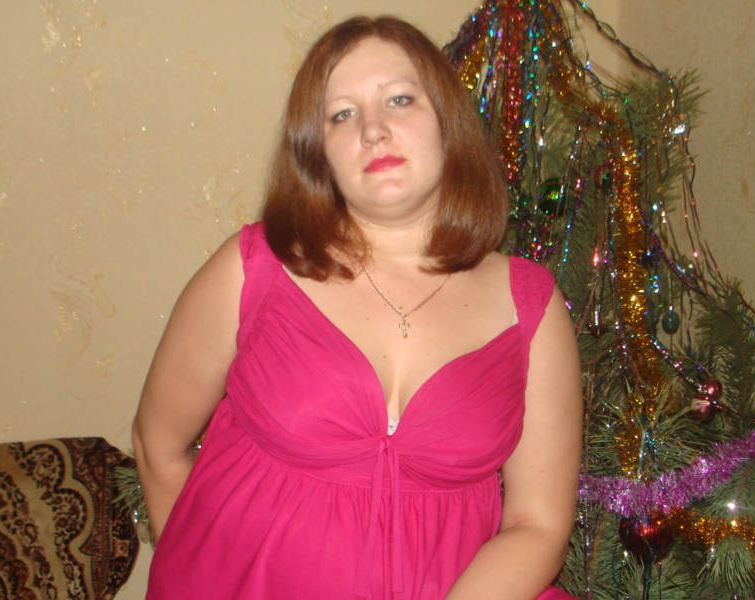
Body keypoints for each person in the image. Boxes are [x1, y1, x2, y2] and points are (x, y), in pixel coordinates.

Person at [131, 15, 582, 600]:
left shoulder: (532, 308)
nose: (373, 130)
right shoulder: (253, 269)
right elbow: (158, 444)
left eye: (399, 99)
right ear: (318, 153)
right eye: (342, 114)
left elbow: (537, 524)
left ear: (448, 122)